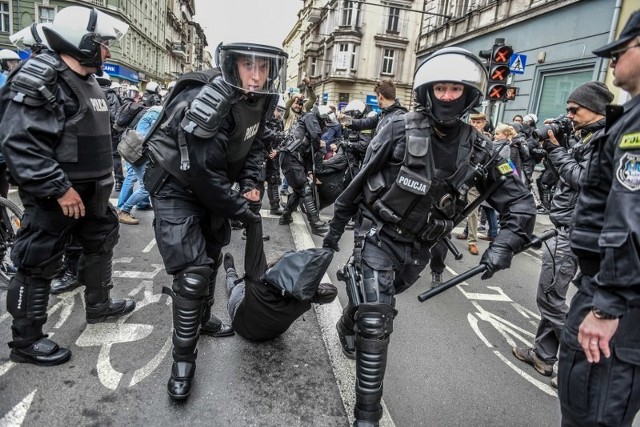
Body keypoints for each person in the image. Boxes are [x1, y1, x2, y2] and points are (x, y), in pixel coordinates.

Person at [321, 47, 536, 426]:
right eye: (442, 89)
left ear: (469, 94)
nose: (448, 97)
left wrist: (504, 244)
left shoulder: (484, 148)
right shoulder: (398, 128)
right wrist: (332, 236)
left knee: (375, 305)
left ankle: (347, 321)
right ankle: (366, 418)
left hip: (420, 247)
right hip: (378, 233)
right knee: (377, 320)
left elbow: (521, 205)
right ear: (428, 91)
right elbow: (357, 183)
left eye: (456, 89)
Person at [143, 41, 288, 400]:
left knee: (211, 252)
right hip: (176, 184)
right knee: (193, 273)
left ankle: (204, 319)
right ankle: (182, 363)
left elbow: (257, 145)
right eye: (248, 66)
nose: (256, 76)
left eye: (263, 68)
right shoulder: (210, 97)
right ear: (233, 65)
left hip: (212, 185)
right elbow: (204, 174)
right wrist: (241, 209)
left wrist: (252, 184)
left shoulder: (263, 98)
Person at [0, 6, 135, 366]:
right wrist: (58, 188)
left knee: (101, 243)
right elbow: (22, 143)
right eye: (102, 43)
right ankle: (27, 341)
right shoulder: (42, 76)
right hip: (58, 197)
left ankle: (100, 305)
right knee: (37, 261)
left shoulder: (88, 79)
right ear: (82, 41)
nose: (107, 51)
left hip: (93, 193)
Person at [558, 12, 640, 426]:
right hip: (615, 292)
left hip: (617, 302)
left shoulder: (636, 126)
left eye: (619, 53)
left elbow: (630, 217)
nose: (611, 63)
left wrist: (606, 307)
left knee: (591, 409)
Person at [511, 81, 613, 388]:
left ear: (595, 109)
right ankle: (543, 354)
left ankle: (582, 361)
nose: (568, 115)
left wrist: (555, 150)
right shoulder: (587, 136)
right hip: (570, 227)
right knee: (552, 296)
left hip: (575, 231)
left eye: (574, 110)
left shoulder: (603, 140)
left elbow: (584, 179)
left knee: (550, 298)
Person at [224, 219, 337, 341]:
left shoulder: (259, 280)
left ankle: (230, 272)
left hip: (240, 324)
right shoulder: (304, 302)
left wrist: (254, 214)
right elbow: (320, 294)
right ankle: (237, 279)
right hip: (270, 335)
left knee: (239, 286)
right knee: (248, 284)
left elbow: (254, 243)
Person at [278, 105, 336, 236]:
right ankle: (315, 224)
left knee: (300, 190)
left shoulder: (309, 126)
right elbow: (315, 137)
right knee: (305, 189)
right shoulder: (310, 117)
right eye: (325, 121)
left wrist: (310, 170)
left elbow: (309, 155)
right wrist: (320, 144)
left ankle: (285, 216)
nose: (325, 126)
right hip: (291, 157)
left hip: (293, 158)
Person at [116, 105, 161, 225]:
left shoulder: (154, 111)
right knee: (146, 187)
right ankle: (123, 210)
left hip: (134, 150)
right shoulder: (157, 114)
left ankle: (142, 204)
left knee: (139, 180)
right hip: (138, 153)